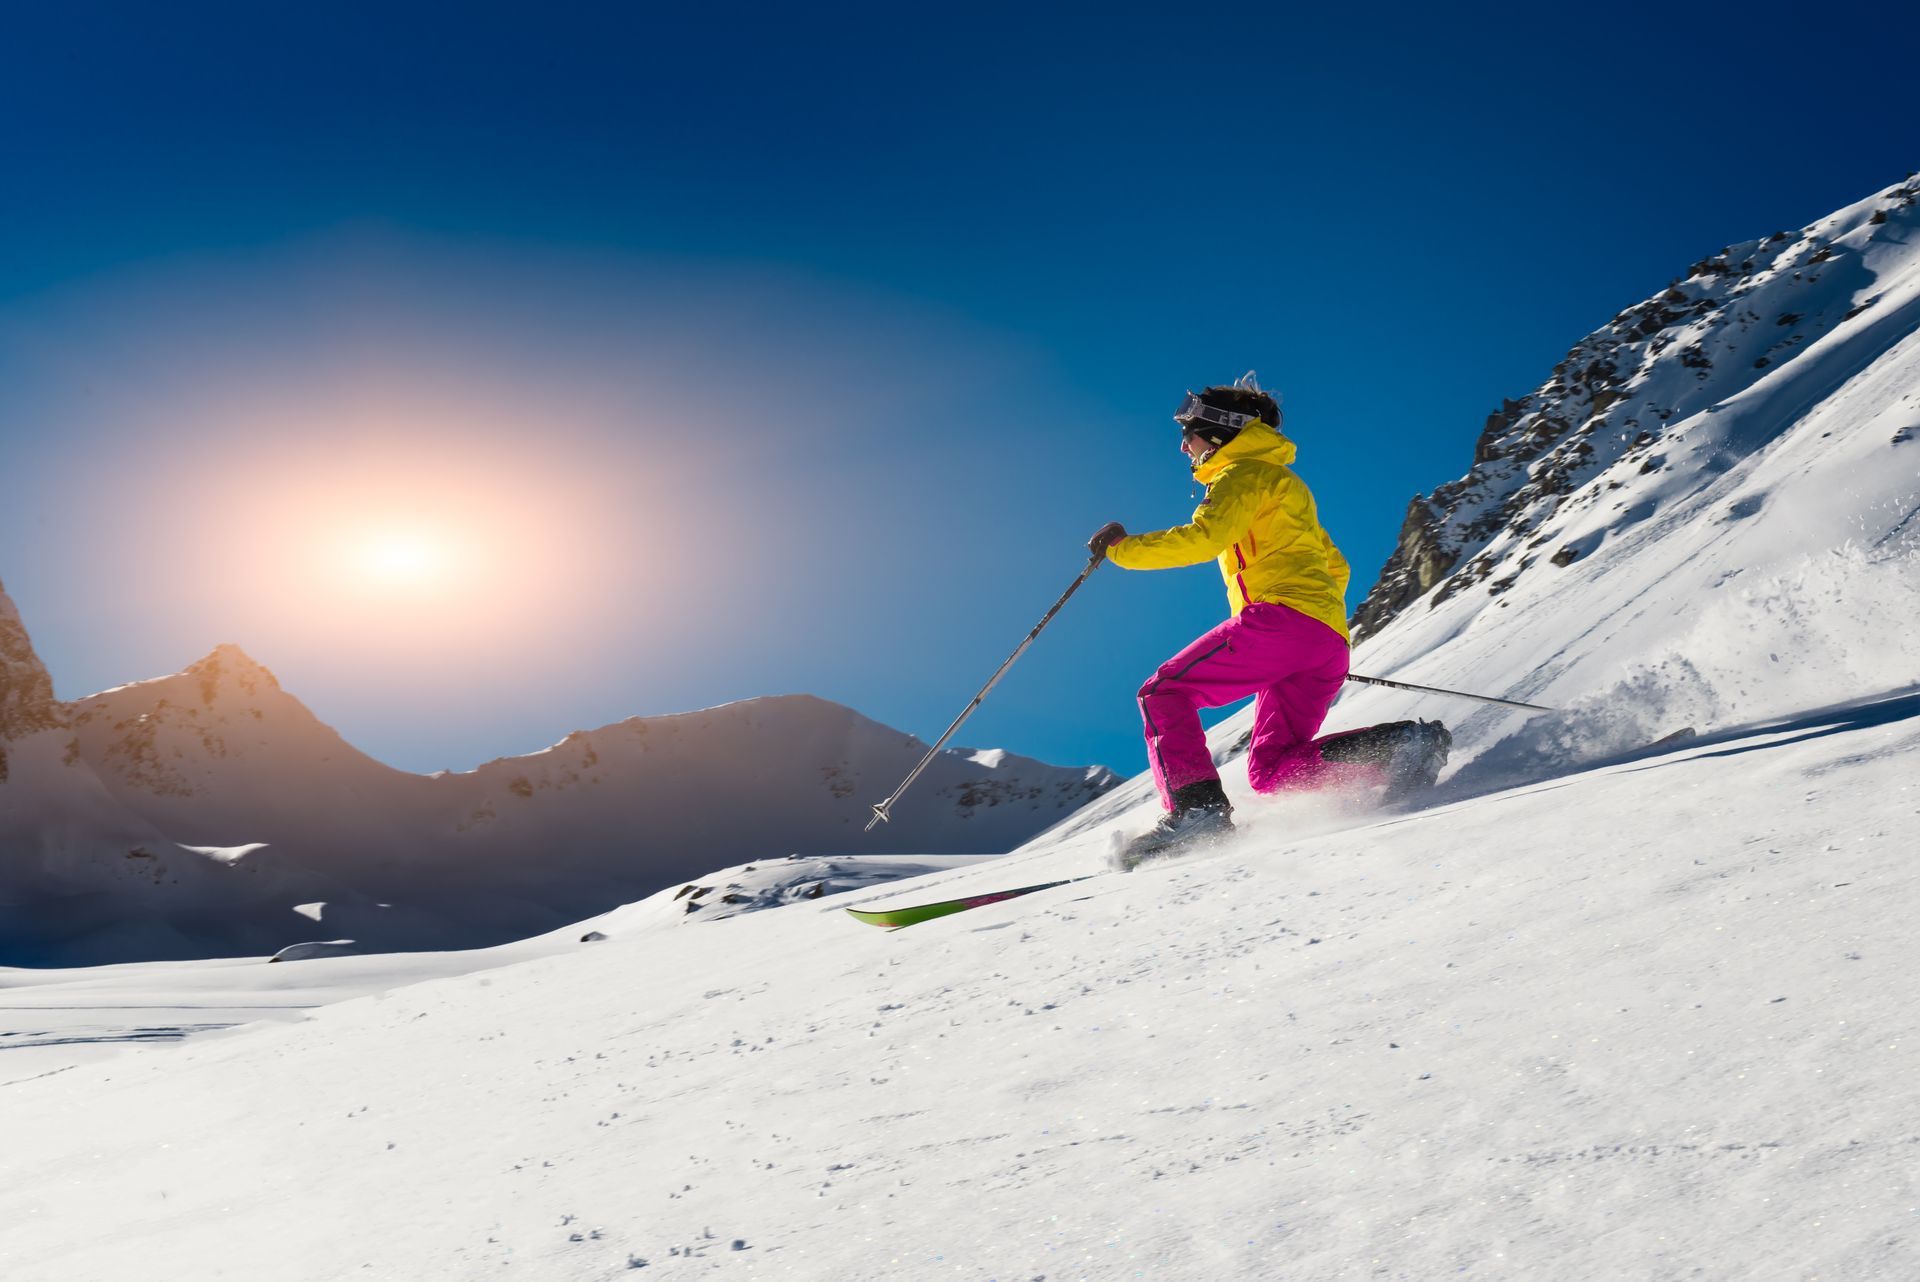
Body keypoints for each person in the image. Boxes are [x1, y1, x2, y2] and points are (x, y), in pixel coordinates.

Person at [1088, 374, 1449, 865]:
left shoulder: (1242, 476)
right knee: (1272, 771)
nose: (1183, 446)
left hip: (1281, 621)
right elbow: (1335, 565)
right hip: (1321, 636)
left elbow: (1204, 539)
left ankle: (1197, 813)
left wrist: (1121, 551)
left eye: (1188, 433)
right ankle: (1402, 745)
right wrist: (1312, 633)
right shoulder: (1284, 484)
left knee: (1163, 694)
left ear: (1218, 433)